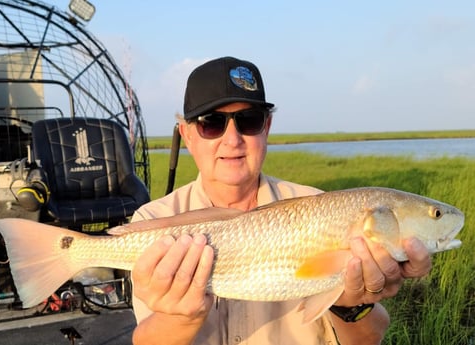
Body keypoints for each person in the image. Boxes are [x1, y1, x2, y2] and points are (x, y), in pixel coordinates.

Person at [129, 56, 432, 345]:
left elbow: (370, 339)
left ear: (267, 128)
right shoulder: (151, 222)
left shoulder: (321, 208)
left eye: (249, 121)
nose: (232, 139)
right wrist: (183, 317)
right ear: (187, 135)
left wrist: (351, 304)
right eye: (212, 123)